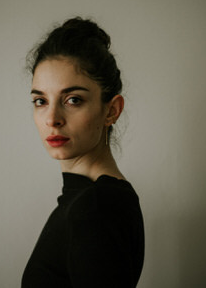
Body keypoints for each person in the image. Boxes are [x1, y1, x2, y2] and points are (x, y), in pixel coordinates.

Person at [21, 17, 144, 288]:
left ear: (111, 110)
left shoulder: (97, 207)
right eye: (40, 101)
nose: (52, 118)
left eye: (73, 100)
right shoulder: (88, 199)